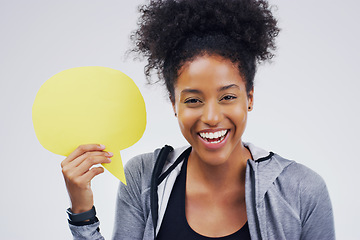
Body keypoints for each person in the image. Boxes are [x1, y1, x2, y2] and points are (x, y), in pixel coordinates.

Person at [61, 0, 335, 239]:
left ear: (249, 98)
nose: (212, 117)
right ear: (174, 104)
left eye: (227, 97)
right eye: (193, 100)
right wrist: (82, 211)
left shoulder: (303, 190)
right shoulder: (143, 178)